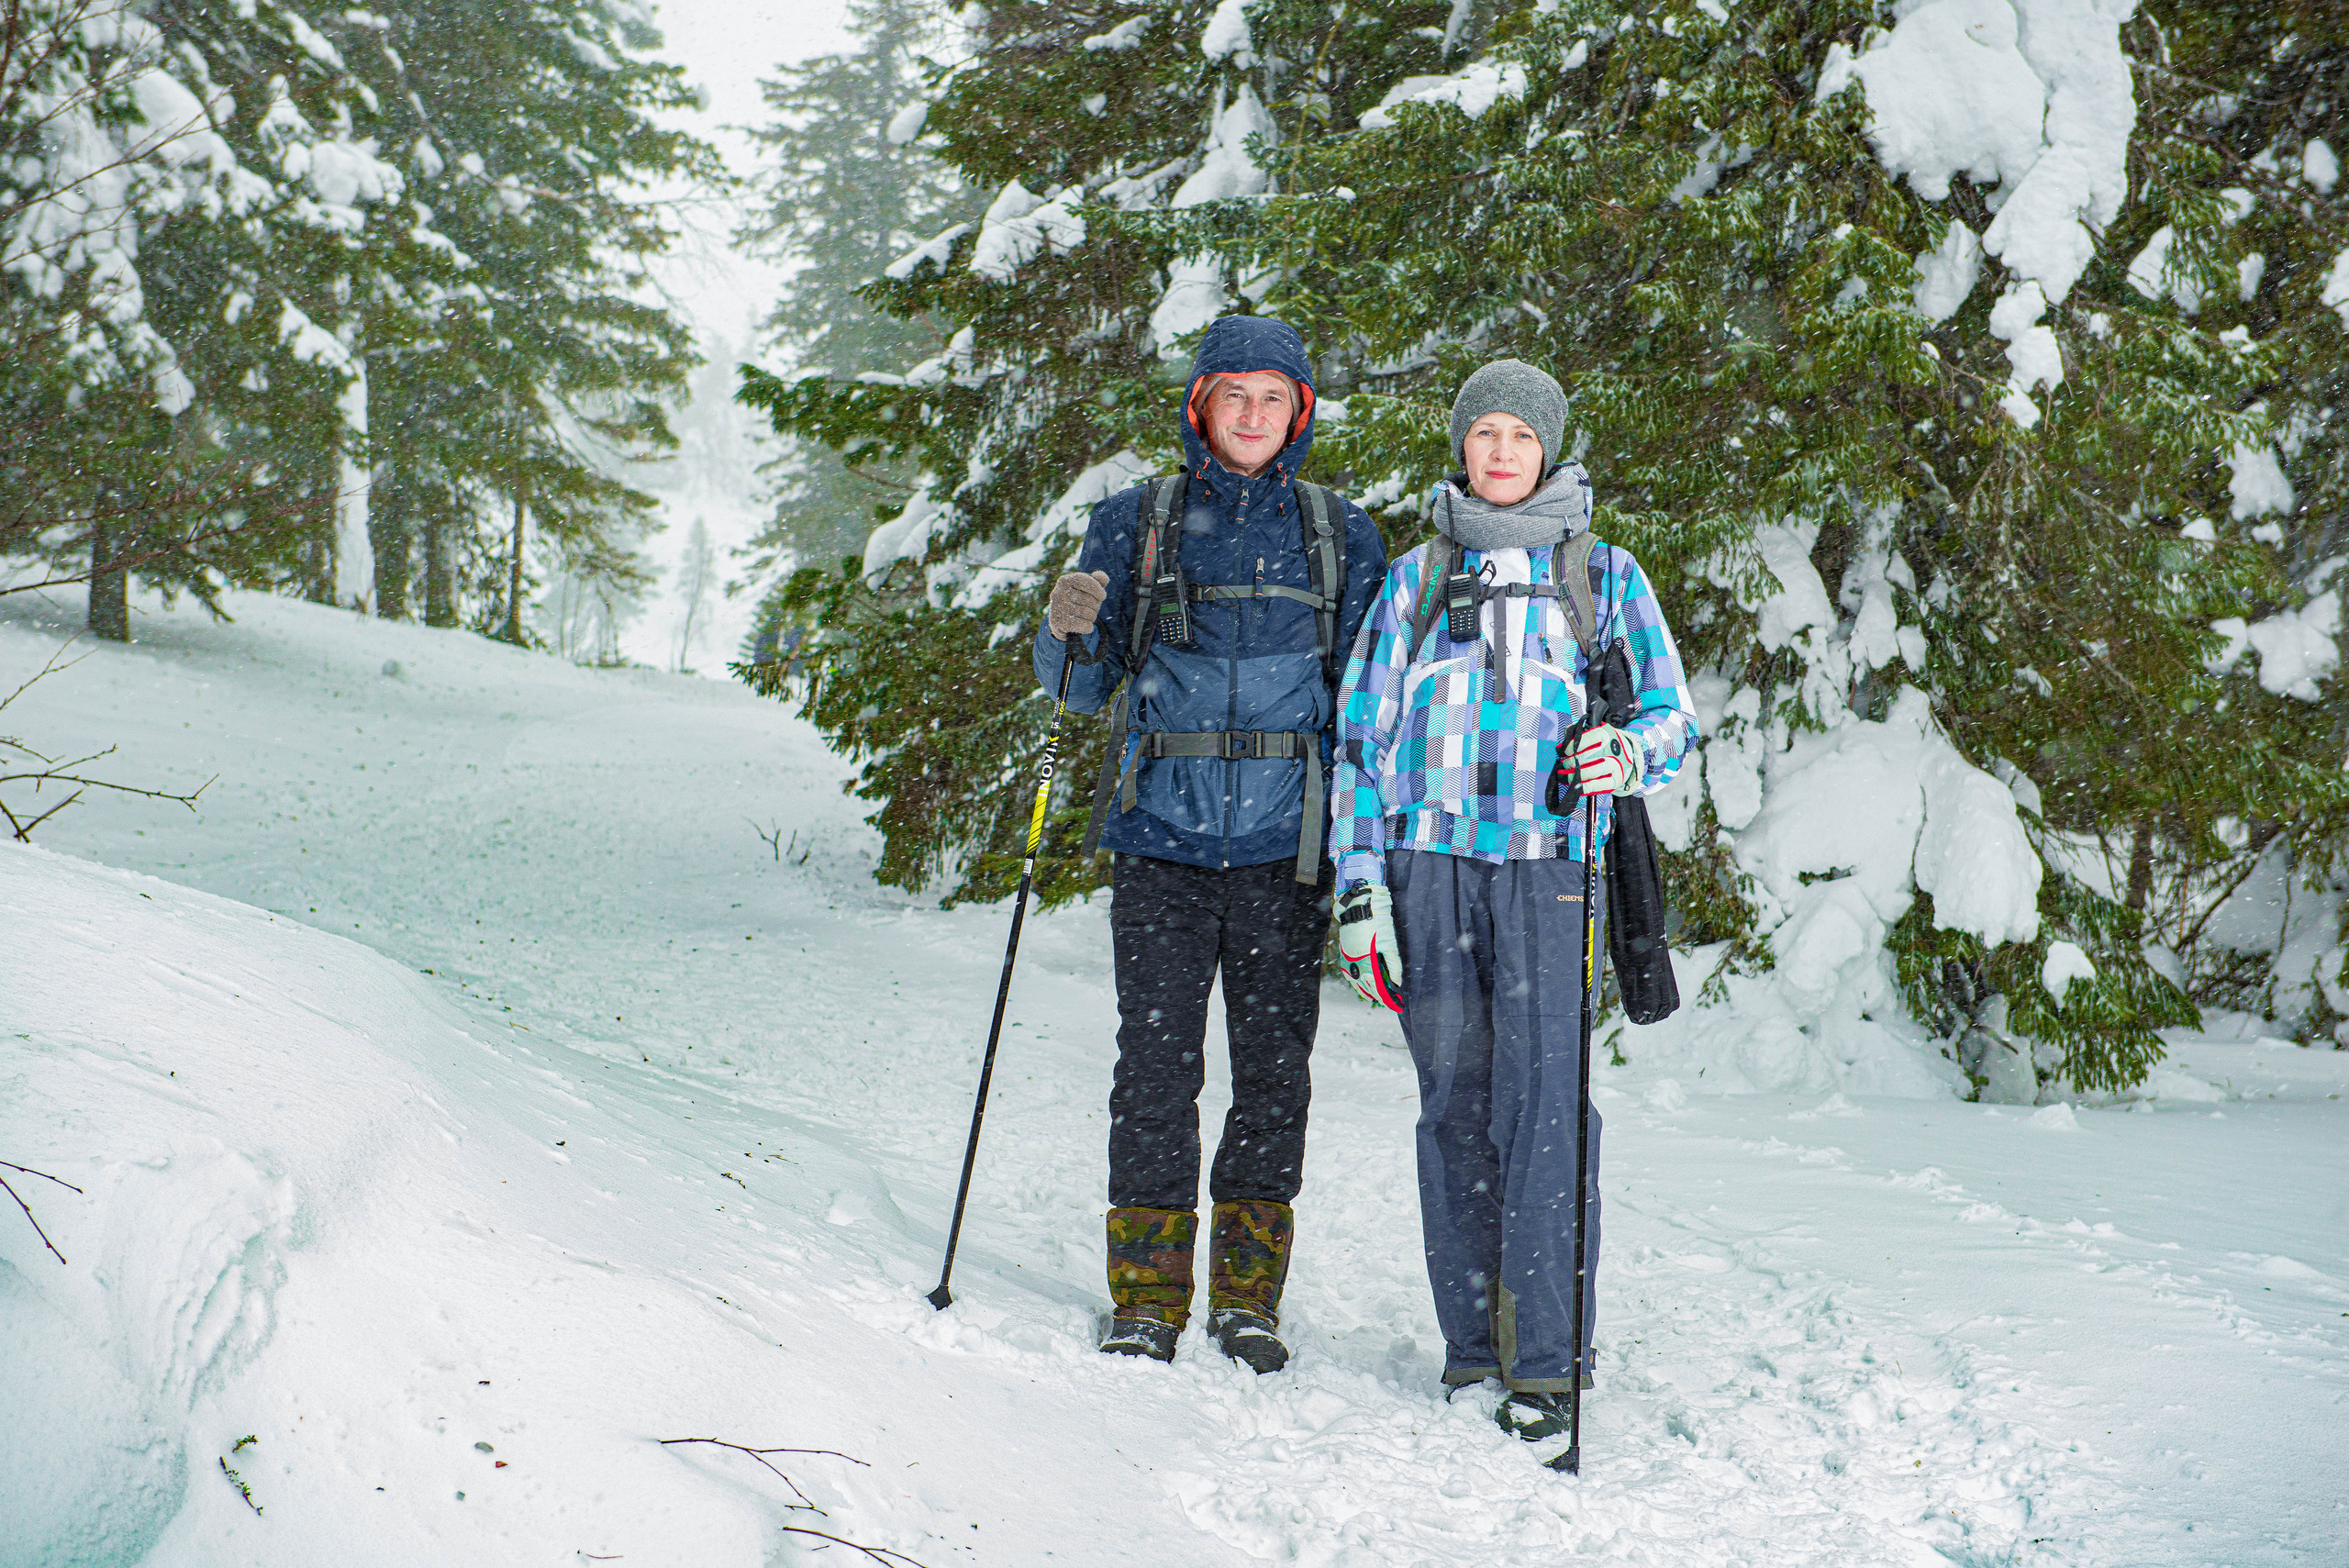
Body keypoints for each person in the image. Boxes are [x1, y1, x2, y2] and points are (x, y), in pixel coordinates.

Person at [1326, 360, 1697, 1452]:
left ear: (1549, 449)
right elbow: (1358, 740)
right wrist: (1358, 883)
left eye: (1520, 435)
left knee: (1545, 1107)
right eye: (1484, 432)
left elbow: (1673, 717)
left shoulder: (1602, 575)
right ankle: (1471, 1345)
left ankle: (1545, 1357)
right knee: (1452, 1105)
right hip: (1426, 868)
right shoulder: (1416, 577)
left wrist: (1623, 749)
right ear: (1462, 446)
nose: (1500, 451)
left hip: (1550, 869)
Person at [1035, 314, 1386, 1372]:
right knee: (1154, 1071)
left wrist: (1368, 850)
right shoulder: (1133, 521)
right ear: (1200, 404)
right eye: (1233, 393)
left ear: (1299, 412)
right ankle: (1146, 1297)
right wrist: (1063, 629)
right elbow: (1080, 687)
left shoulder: (1341, 533)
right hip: (1161, 844)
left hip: (1286, 851)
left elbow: (1365, 704)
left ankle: (1246, 1298)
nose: (1251, 413)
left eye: (1272, 397)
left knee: (1274, 1077)